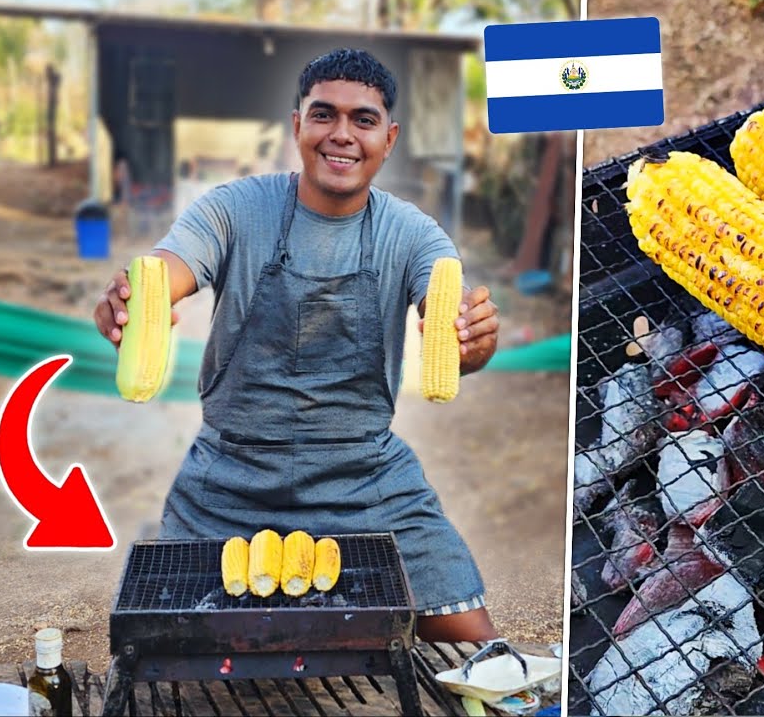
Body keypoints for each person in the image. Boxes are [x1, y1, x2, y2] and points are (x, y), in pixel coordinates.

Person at [93, 48, 501, 642]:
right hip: (230, 478)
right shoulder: (233, 209)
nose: (341, 135)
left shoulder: (413, 234)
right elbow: (170, 267)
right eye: (323, 115)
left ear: (389, 138)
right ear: (296, 126)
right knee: (173, 650)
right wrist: (138, 294)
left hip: (363, 476)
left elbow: (454, 315)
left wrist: (474, 340)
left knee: (476, 644)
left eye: (362, 120)